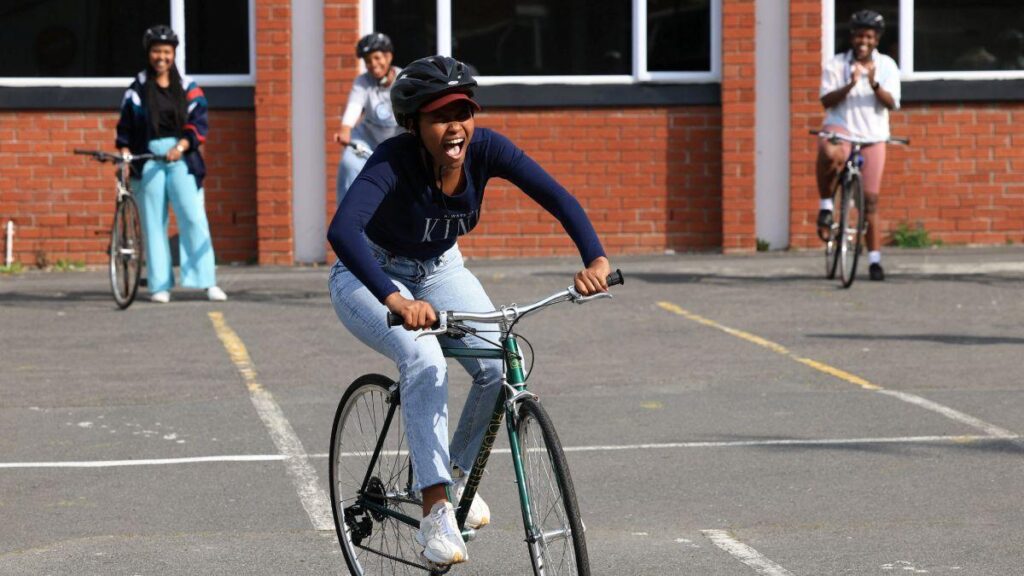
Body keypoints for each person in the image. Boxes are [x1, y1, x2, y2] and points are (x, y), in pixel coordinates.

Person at [327, 55, 612, 567]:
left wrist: (594, 257)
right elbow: (343, 232)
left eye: (464, 111)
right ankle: (434, 507)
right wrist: (395, 300)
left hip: (440, 268)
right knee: (425, 360)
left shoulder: (486, 149)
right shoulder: (392, 160)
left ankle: (453, 477)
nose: (455, 125)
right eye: (440, 116)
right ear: (414, 126)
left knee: (496, 362)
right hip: (369, 271)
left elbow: (556, 195)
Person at [116, 25, 226, 303]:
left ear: (173, 54)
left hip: (182, 159)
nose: (161, 57)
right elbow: (125, 129)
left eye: (166, 51)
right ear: (148, 53)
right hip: (149, 160)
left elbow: (199, 123)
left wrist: (182, 146)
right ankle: (159, 285)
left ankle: (206, 280)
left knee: (193, 217)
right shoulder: (137, 88)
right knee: (153, 223)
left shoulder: (188, 86)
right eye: (156, 51)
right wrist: (126, 157)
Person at [816, 10, 900, 281]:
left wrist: (873, 83)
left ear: (876, 40)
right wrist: (851, 83)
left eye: (869, 36)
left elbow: (891, 103)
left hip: (872, 135)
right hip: (842, 127)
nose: (863, 41)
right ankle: (827, 205)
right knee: (829, 151)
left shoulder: (887, 66)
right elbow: (826, 102)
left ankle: (875, 260)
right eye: (859, 35)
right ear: (851, 37)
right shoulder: (837, 64)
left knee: (871, 201)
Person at [332, 32, 404, 204]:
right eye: (368, 61)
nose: (373, 64)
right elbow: (355, 105)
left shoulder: (403, 80)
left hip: (397, 143)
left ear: (388, 56)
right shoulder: (363, 81)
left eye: (377, 58)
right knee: (349, 164)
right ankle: (346, 219)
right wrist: (345, 128)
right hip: (367, 140)